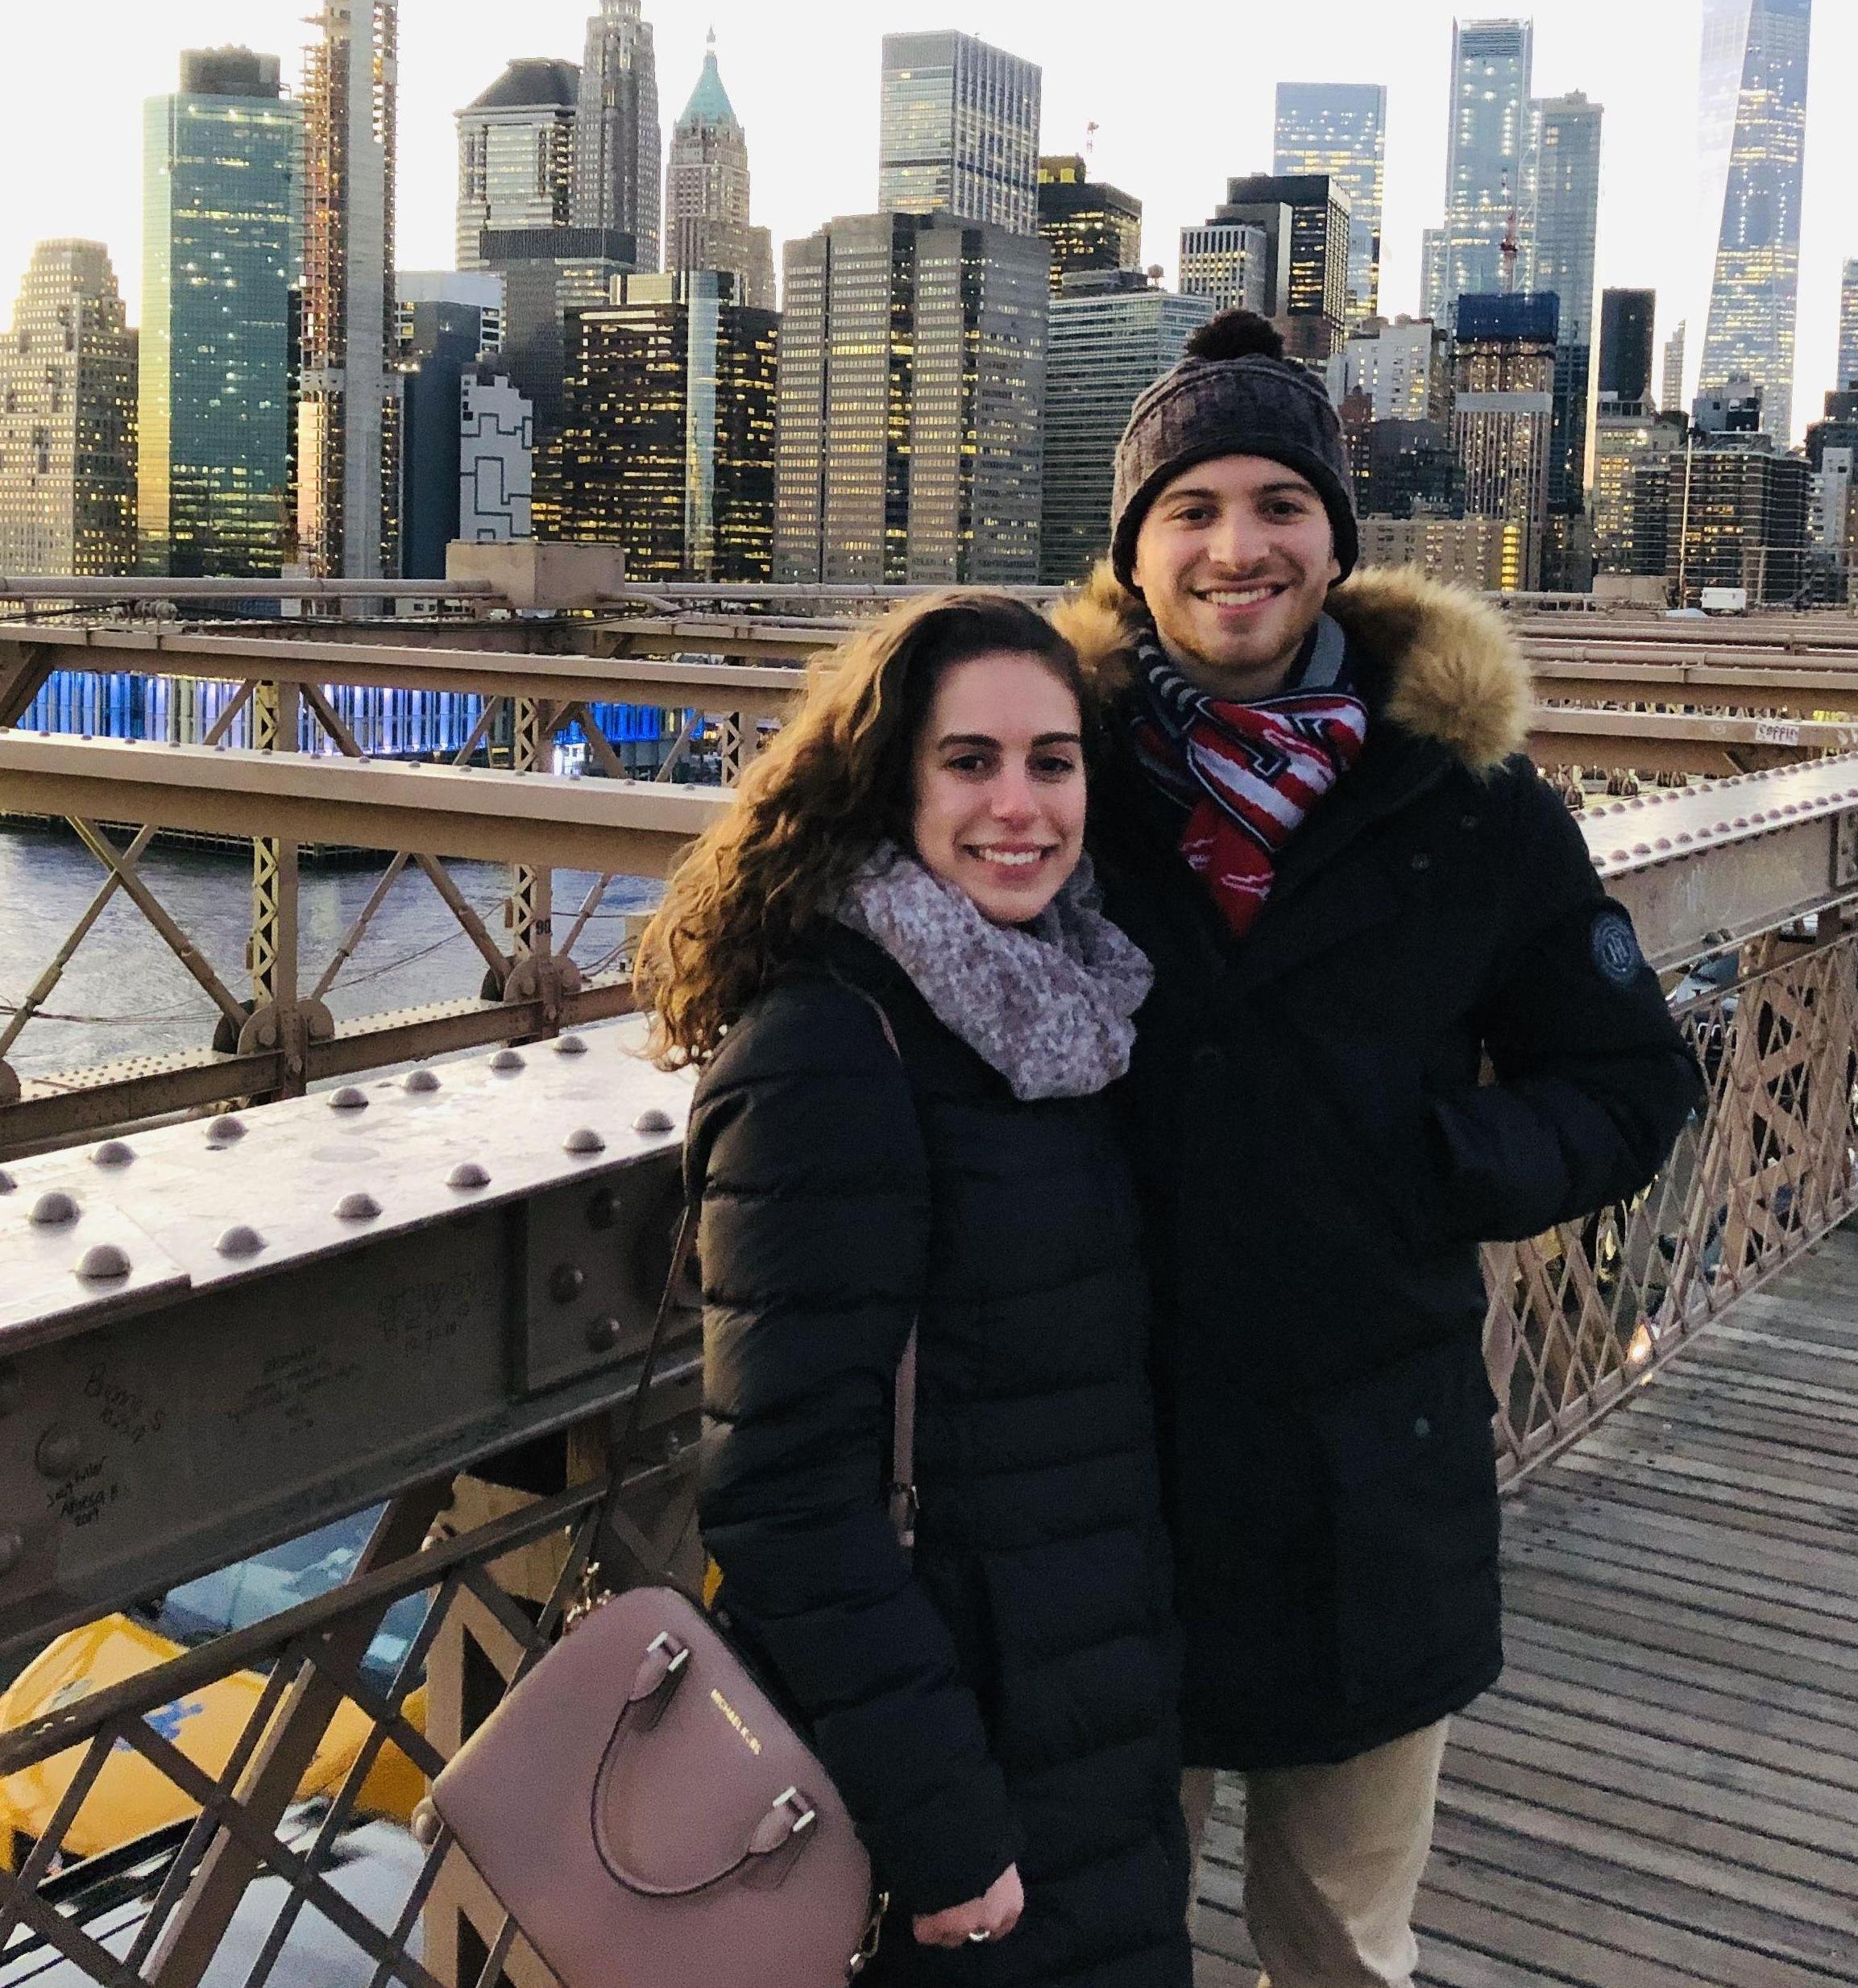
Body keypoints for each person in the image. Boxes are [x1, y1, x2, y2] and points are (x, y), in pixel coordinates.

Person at [1053, 309, 1705, 1988]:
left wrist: (1437, 1164)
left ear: (1337, 536)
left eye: (1279, 500)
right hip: (1096, 1464)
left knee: (1341, 1944)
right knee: (1094, 1932)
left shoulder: (1470, 802)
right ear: (1136, 552)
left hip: (1368, 1469)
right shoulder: (1045, 782)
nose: (1236, 544)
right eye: (1189, 509)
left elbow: (1629, 1078)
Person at [639, 591, 1192, 1988]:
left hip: (1081, 1747)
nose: (1019, 806)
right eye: (969, 762)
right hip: (943, 1800)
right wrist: (946, 1837)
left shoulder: (1071, 1014)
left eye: (1052, 763)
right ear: (887, 782)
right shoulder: (832, 1048)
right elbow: (780, 1495)